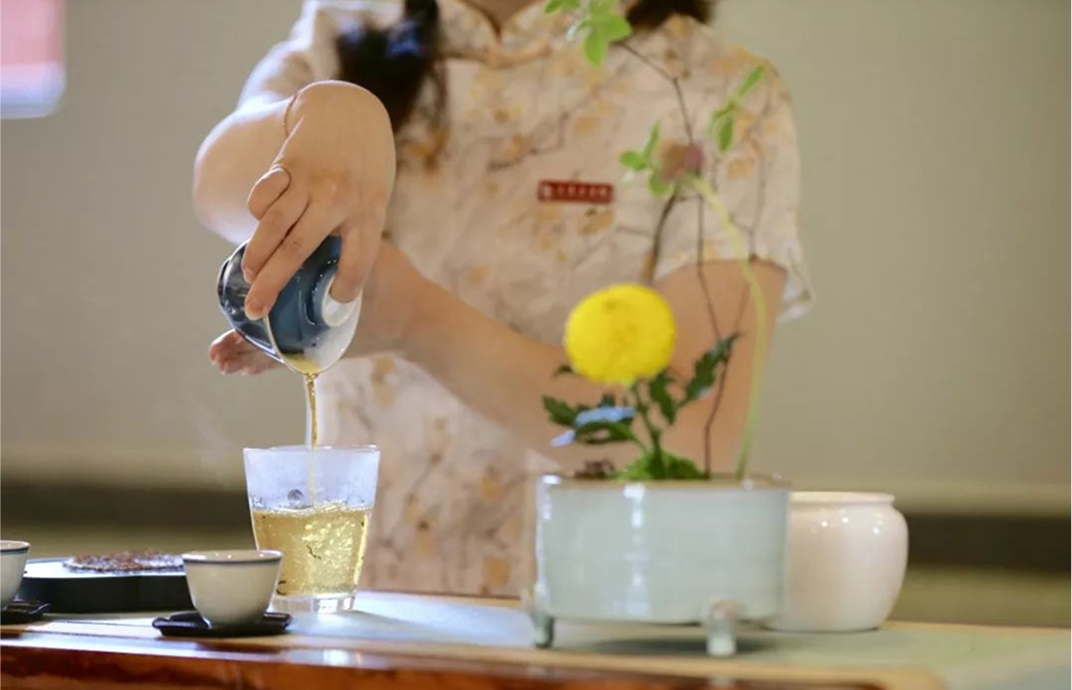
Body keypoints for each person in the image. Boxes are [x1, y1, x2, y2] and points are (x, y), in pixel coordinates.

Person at [196, 0, 812, 596]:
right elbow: (218, 187)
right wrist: (325, 115)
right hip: (377, 621)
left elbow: (694, 446)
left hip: (609, 621)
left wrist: (417, 321)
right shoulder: (346, 37)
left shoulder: (716, 94)